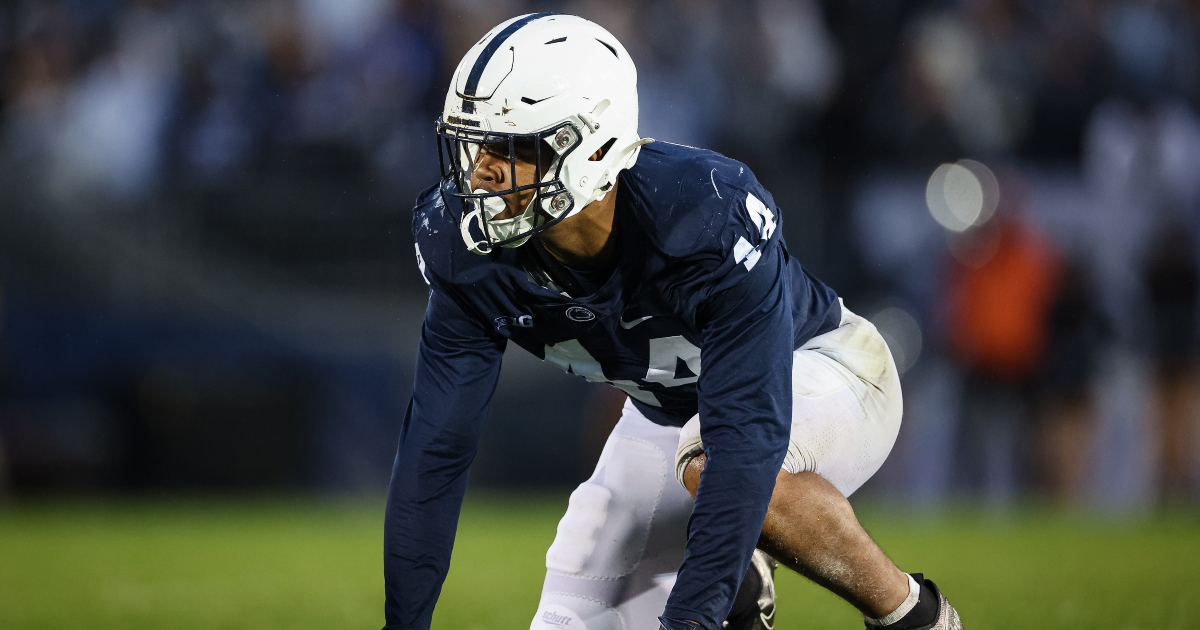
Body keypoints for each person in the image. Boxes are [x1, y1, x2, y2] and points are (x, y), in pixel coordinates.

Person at [384, 13, 962, 630]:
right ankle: (742, 581)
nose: (480, 174)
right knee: (569, 616)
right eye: (475, 145)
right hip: (676, 417)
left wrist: (691, 617)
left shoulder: (702, 215)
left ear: (592, 146)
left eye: (510, 148)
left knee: (711, 465)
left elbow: (745, 436)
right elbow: (435, 452)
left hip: (824, 373)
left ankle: (911, 615)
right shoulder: (466, 248)